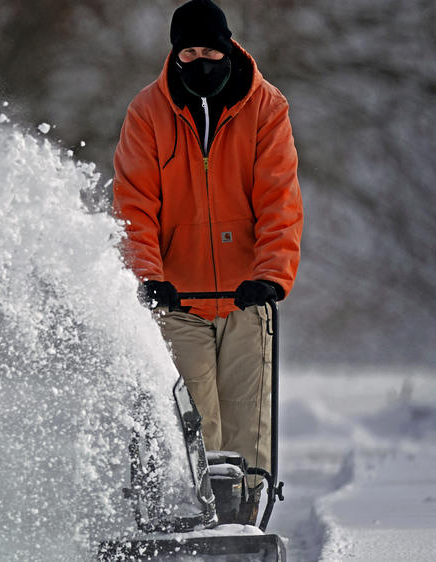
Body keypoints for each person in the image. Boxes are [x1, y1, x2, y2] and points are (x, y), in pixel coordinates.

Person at [112, 0, 303, 523]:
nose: (201, 61)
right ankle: (192, 516)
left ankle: (242, 518)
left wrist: (271, 274)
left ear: (228, 47)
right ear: (175, 55)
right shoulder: (147, 113)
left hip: (246, 296)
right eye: (189, 52)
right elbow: (134, 208)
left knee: (245, 422)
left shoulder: (266, 108)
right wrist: (149, 277)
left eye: (209, 50)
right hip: (178, 300)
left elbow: (279, 201)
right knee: (194, 419)